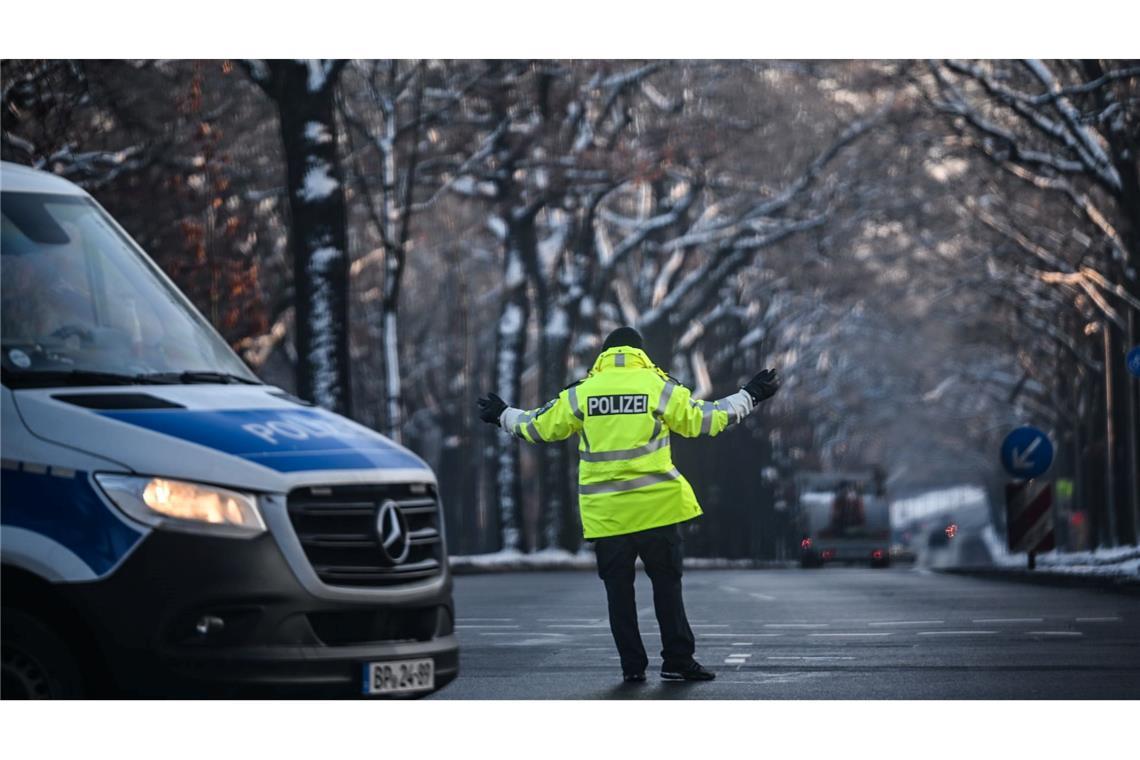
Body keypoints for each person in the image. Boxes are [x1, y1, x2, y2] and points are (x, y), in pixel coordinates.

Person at [477, 326, 781, 683]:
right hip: (657, 509)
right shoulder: (658, 387)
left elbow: (540, 426)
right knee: (667, 588)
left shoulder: (583, 393)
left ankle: (632, 667)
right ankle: (678, 660)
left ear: (604, 355)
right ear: (640, 353)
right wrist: (750, 394)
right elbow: (706, 420)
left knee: (619, 595)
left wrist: (502, 415)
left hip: (607, 516)